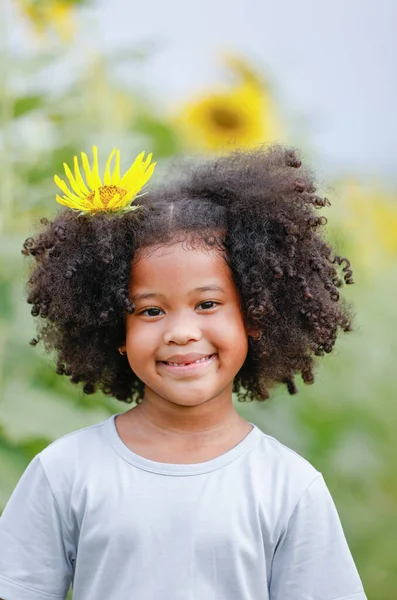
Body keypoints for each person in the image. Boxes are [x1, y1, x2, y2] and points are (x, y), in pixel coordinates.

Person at [0, 145, 366, 600]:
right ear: (114, 325)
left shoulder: (289, 486)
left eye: (207, 304)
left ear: (254, 314)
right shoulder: (64, 472)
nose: (181, 332)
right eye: (151, 311)